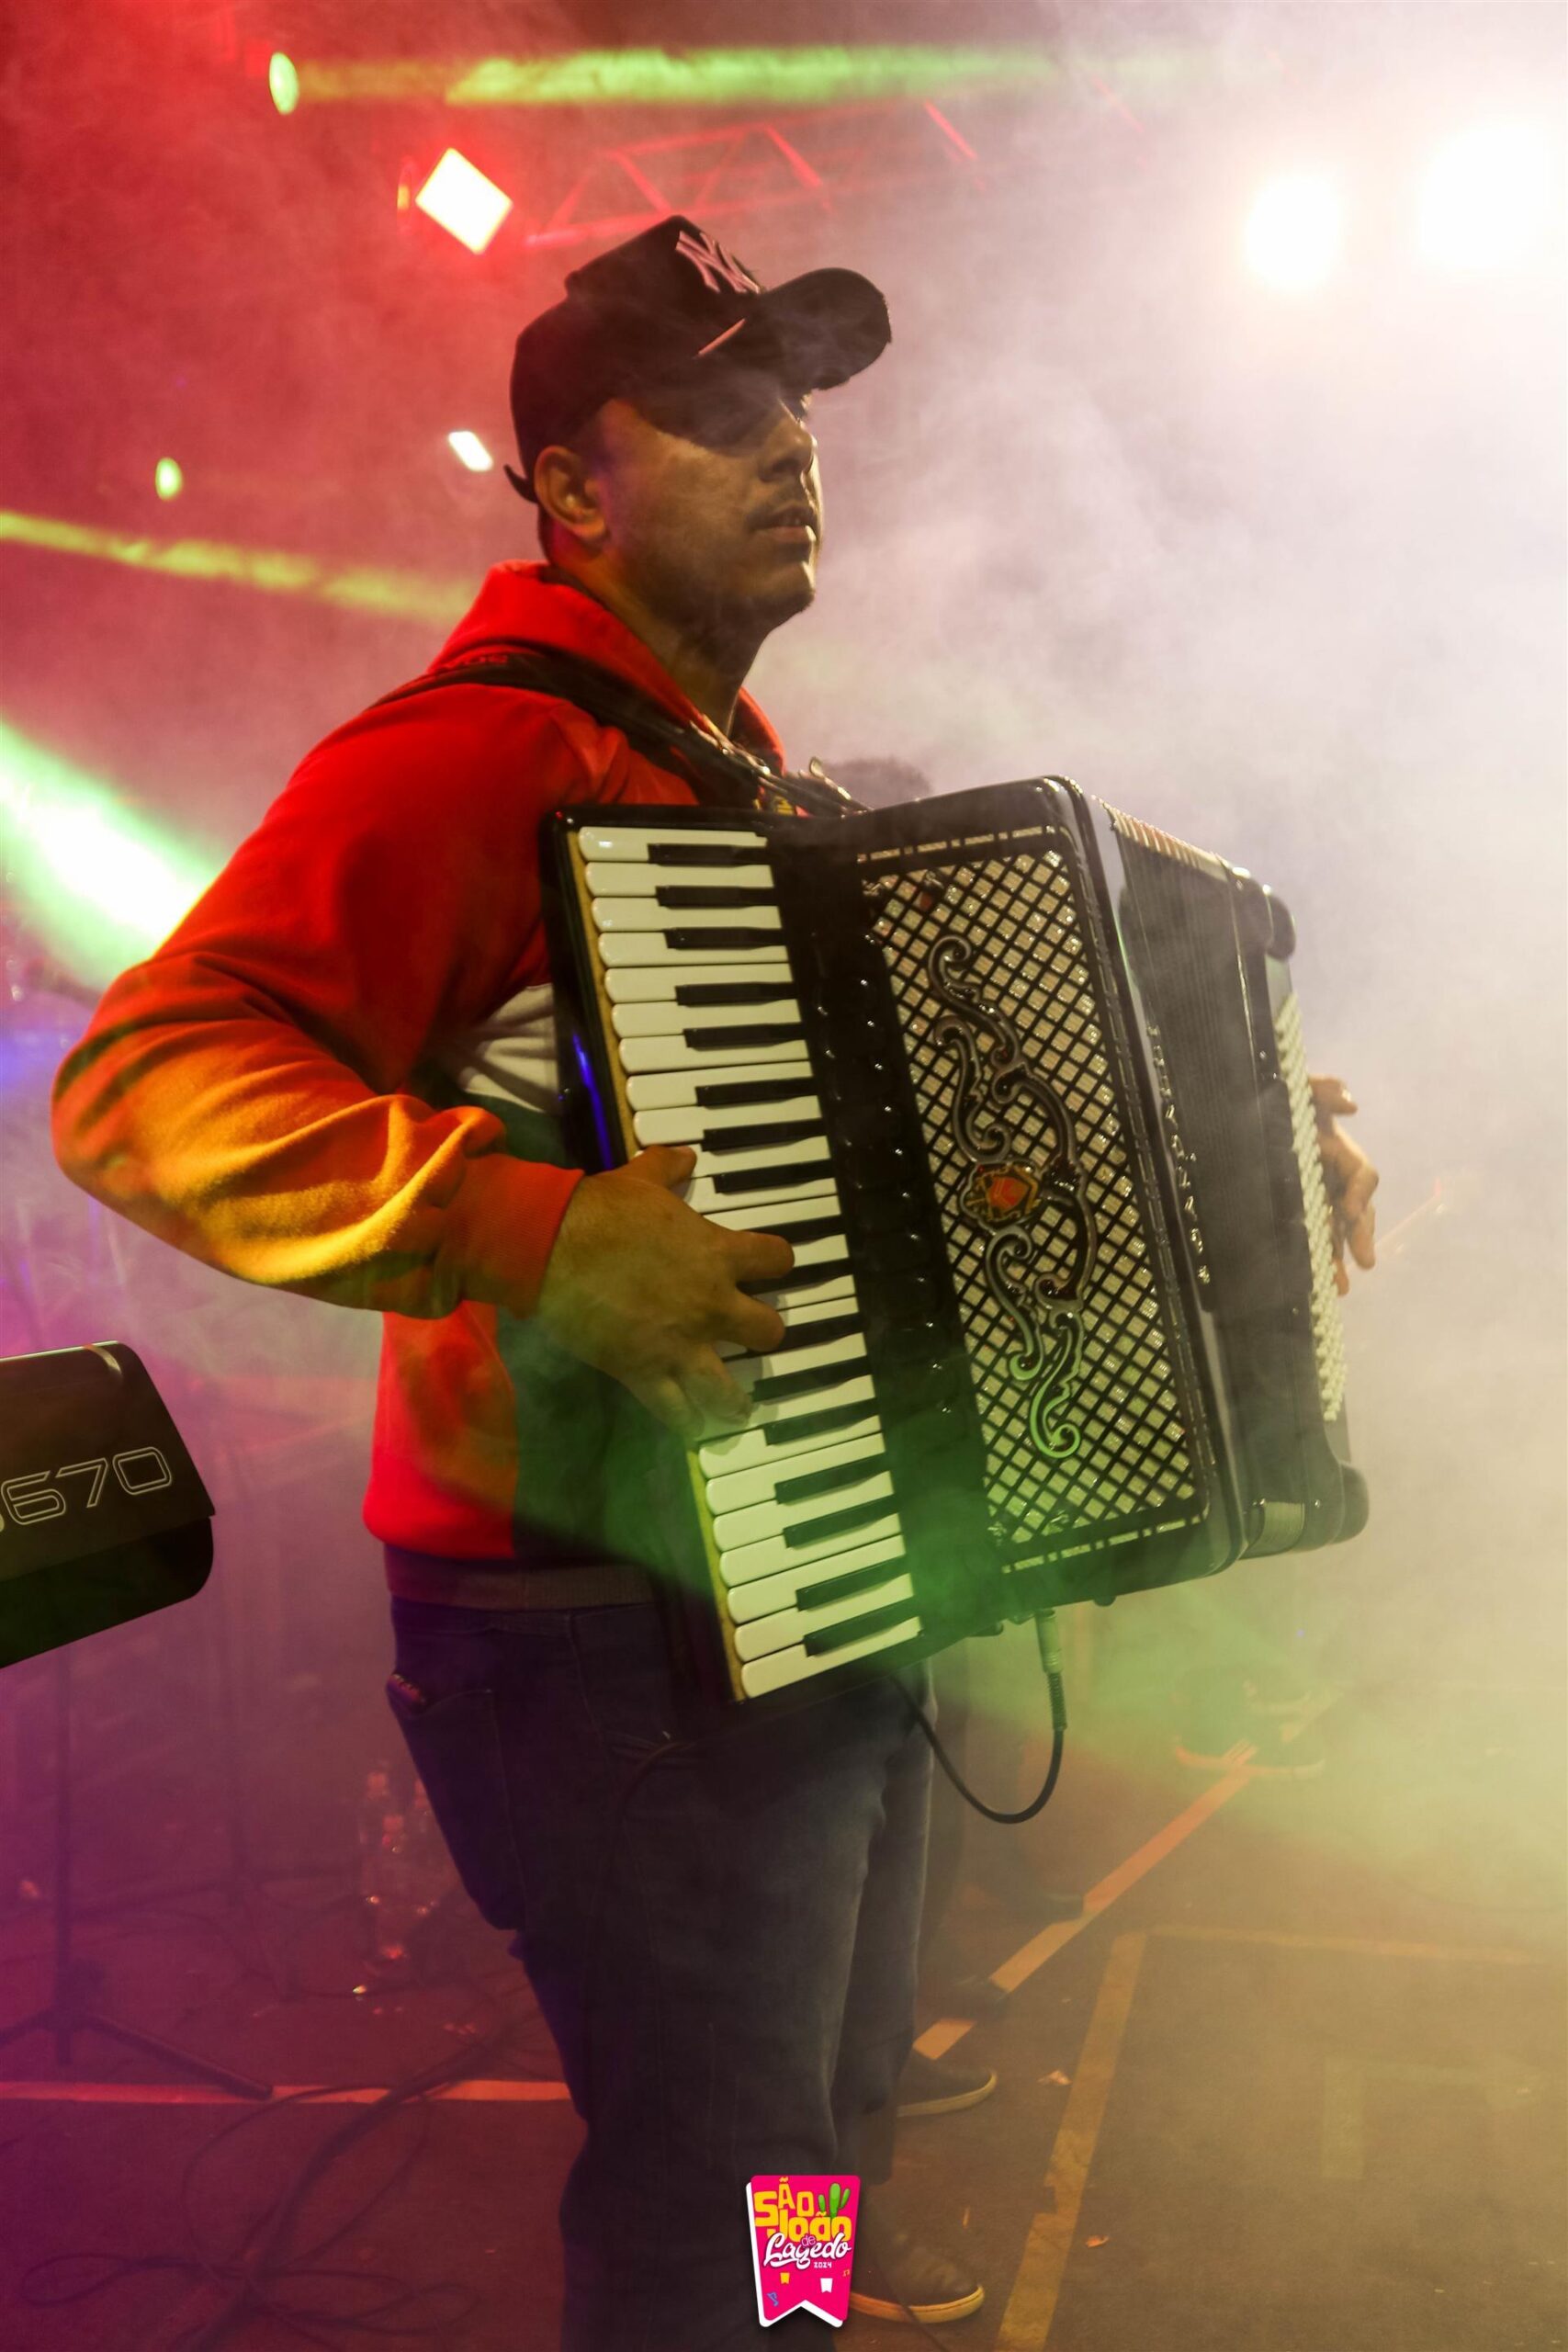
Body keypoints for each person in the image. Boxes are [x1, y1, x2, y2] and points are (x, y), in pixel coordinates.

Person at [50, 216, 980, 2346]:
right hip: (589, 1630)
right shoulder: (476, 751)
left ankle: (803, 2315)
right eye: (723, 411)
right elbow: (138, 1083)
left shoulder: (731, 761)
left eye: (798, 408)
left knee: (819, 2111)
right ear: (571, 484)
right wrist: (529, 1225)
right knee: (702, 2180)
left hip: (799, 1568)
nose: (790, 448)